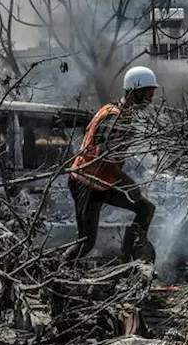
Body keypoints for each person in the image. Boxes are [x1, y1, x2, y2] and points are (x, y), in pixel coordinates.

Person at [65, 66, 158, 262]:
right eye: (148, 94)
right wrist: (130, 185)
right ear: (136, 91)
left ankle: (128, 259)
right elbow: (105, 162)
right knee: (86, 242)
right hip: (86, 184)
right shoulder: (115, 119)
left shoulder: (115, 112)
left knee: (146, 208)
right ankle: (57, 272)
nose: (151, 99)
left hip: (101, 183)